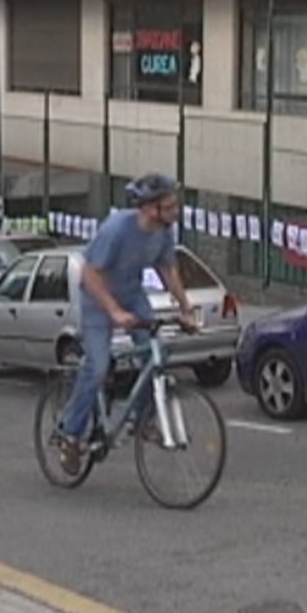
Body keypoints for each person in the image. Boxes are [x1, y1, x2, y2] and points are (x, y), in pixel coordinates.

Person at [56, 172, 198, 476]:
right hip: (97, 300)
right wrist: (114, 312)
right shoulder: (117, 229)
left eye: (175, 205)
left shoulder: (163, 231)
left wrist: (186, 307)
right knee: (98, 367)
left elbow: (167, 269)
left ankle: (143, 420)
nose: (175, 212)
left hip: (132, 294)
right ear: (149, 208)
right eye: (169, 206)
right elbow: (90, 275)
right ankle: (70, 433)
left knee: (153, 354)